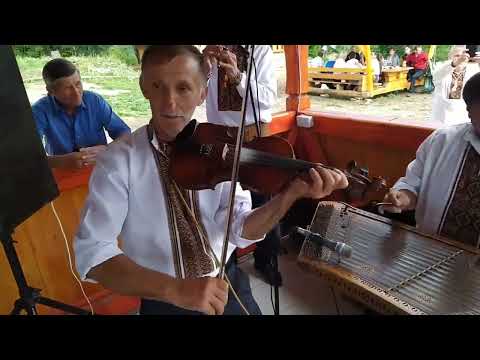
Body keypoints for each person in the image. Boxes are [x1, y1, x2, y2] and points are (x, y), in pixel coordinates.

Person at [73, 45, 348, 315]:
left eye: (183, 88)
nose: (170, 102)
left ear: (202, 93)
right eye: (158, 86)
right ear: (144, 87)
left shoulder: (221, 149)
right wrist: (176, 290)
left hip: (225, 283)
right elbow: (93, 254)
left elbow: (243, 230)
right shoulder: (119, 161)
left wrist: (289, 195)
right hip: (162, 300)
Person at [202, 45, 284, 287]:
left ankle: (266, 259)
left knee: (264, 201)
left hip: (252, 134)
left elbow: (268, 98)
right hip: (219, 136)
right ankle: (227, 266)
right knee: (223, 202)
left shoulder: (259, 50)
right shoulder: (212, 50)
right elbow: (198, 93)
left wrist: (238, 77)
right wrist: (204, 68)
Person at [380, 72, 480, 247]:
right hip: (426, 253)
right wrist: (401, 197)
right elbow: (412, 185)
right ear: (469, 111)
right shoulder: (443, 140)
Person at [32, 58, 131, 170]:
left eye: (78, 84)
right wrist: (60, 161)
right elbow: (29, 156)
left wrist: (107, 150)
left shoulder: (94, 101)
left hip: (100, 168)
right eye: (68, 88)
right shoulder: (39, 111)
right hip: (63, 172)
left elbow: (125, 134)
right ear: (51, 91)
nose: (76, 92)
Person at [431, 46, 480, 125]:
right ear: (449, 57)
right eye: (457, 56)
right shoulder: (441, 70)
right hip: (441, 121)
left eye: (465, 56)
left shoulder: (473, 72)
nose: (462, 58)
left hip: (462, 121)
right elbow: (439, 73)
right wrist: (455, 63)